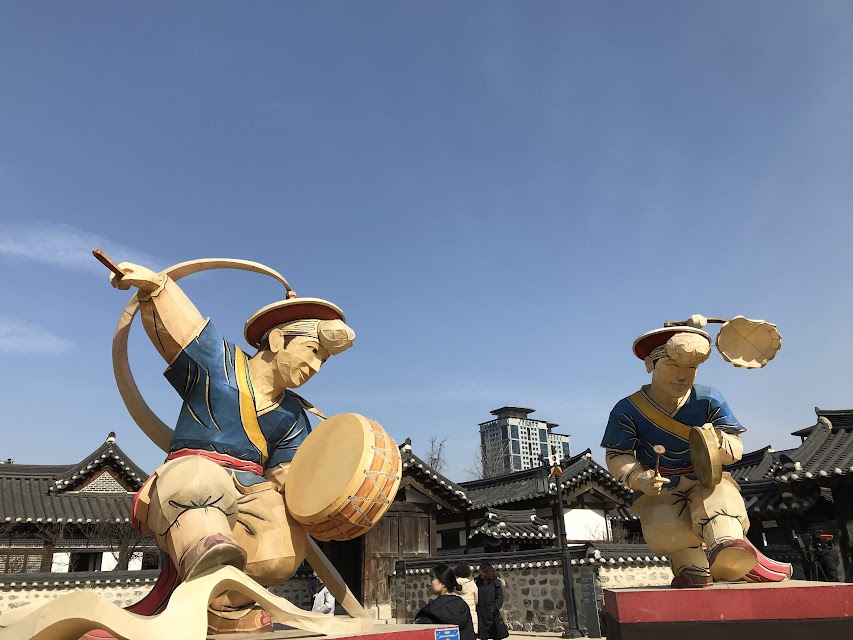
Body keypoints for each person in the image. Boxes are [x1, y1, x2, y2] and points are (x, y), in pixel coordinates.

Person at [108, 261, 355, 633]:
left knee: (281, 543)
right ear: (277, 340)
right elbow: (183, 329)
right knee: (197, 484)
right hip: (196, 472)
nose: (316, 366)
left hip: (252, 490)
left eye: (323, 359)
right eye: (312, 350)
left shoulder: (293, 416)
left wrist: (316, 491)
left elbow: (288, 475)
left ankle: (225, 608)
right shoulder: (219, 363)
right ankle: (206, 554)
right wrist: (156, 288)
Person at [601, 324, 792, 588]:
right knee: (665, 525)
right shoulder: (628, 409)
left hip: (706, 478)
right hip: (661, 487)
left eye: (690, 368)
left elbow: (735, 448)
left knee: (720, 504)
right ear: (650, 364)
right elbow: (617, 454)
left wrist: (718, 441)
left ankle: (728, 548)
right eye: (672, 367)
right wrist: (637, 477)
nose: (682, 377)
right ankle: (691, 567)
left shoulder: (708, 398)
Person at [416, 564, 475, 640]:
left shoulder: (431, 611)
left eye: (432, 579)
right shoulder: (463, 605)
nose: (429, 583)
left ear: (443, 584)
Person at [475, 563, 508, 640]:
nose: (480, 573)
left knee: (495, 635)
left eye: (482, 571)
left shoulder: (496, 583)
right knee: (483, 636)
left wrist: (493, 609)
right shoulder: (477, 582)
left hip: (492, 615)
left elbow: (499, 598)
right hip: (481, 615)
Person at [453, 562, 478, 630]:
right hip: (471, 614)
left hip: (457, 614)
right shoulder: (472, 584)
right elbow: (476, 600)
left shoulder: (453, 584)